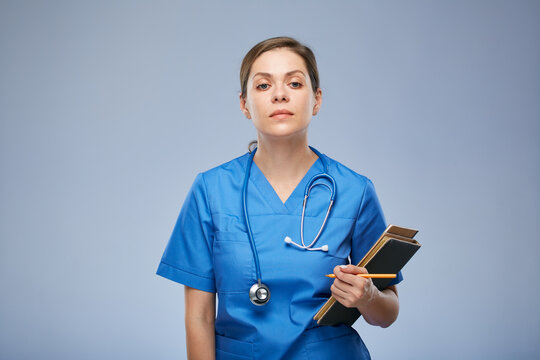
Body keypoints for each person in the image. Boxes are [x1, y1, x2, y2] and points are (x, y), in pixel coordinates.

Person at [156, 36, 402, 359]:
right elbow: (199, 317)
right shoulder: (210, 191)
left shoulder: (355, 191)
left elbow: (388, 311)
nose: (280, 94)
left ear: (317, 100)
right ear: (244, 104)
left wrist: (367, 296)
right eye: (263, 86)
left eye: (295, 83)